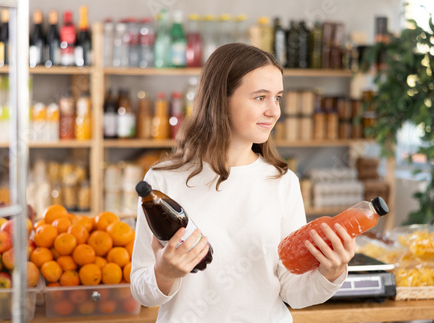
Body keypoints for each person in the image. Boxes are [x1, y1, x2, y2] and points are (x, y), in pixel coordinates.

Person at [130, 42, 356, 322]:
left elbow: (292, 290)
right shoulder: (163, 180)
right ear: (220, 99)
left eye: (278, 98)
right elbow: (142, 290)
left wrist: (330, 272)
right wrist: (164, 274)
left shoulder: (282, 182)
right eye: (260, 98)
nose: (274, 111)